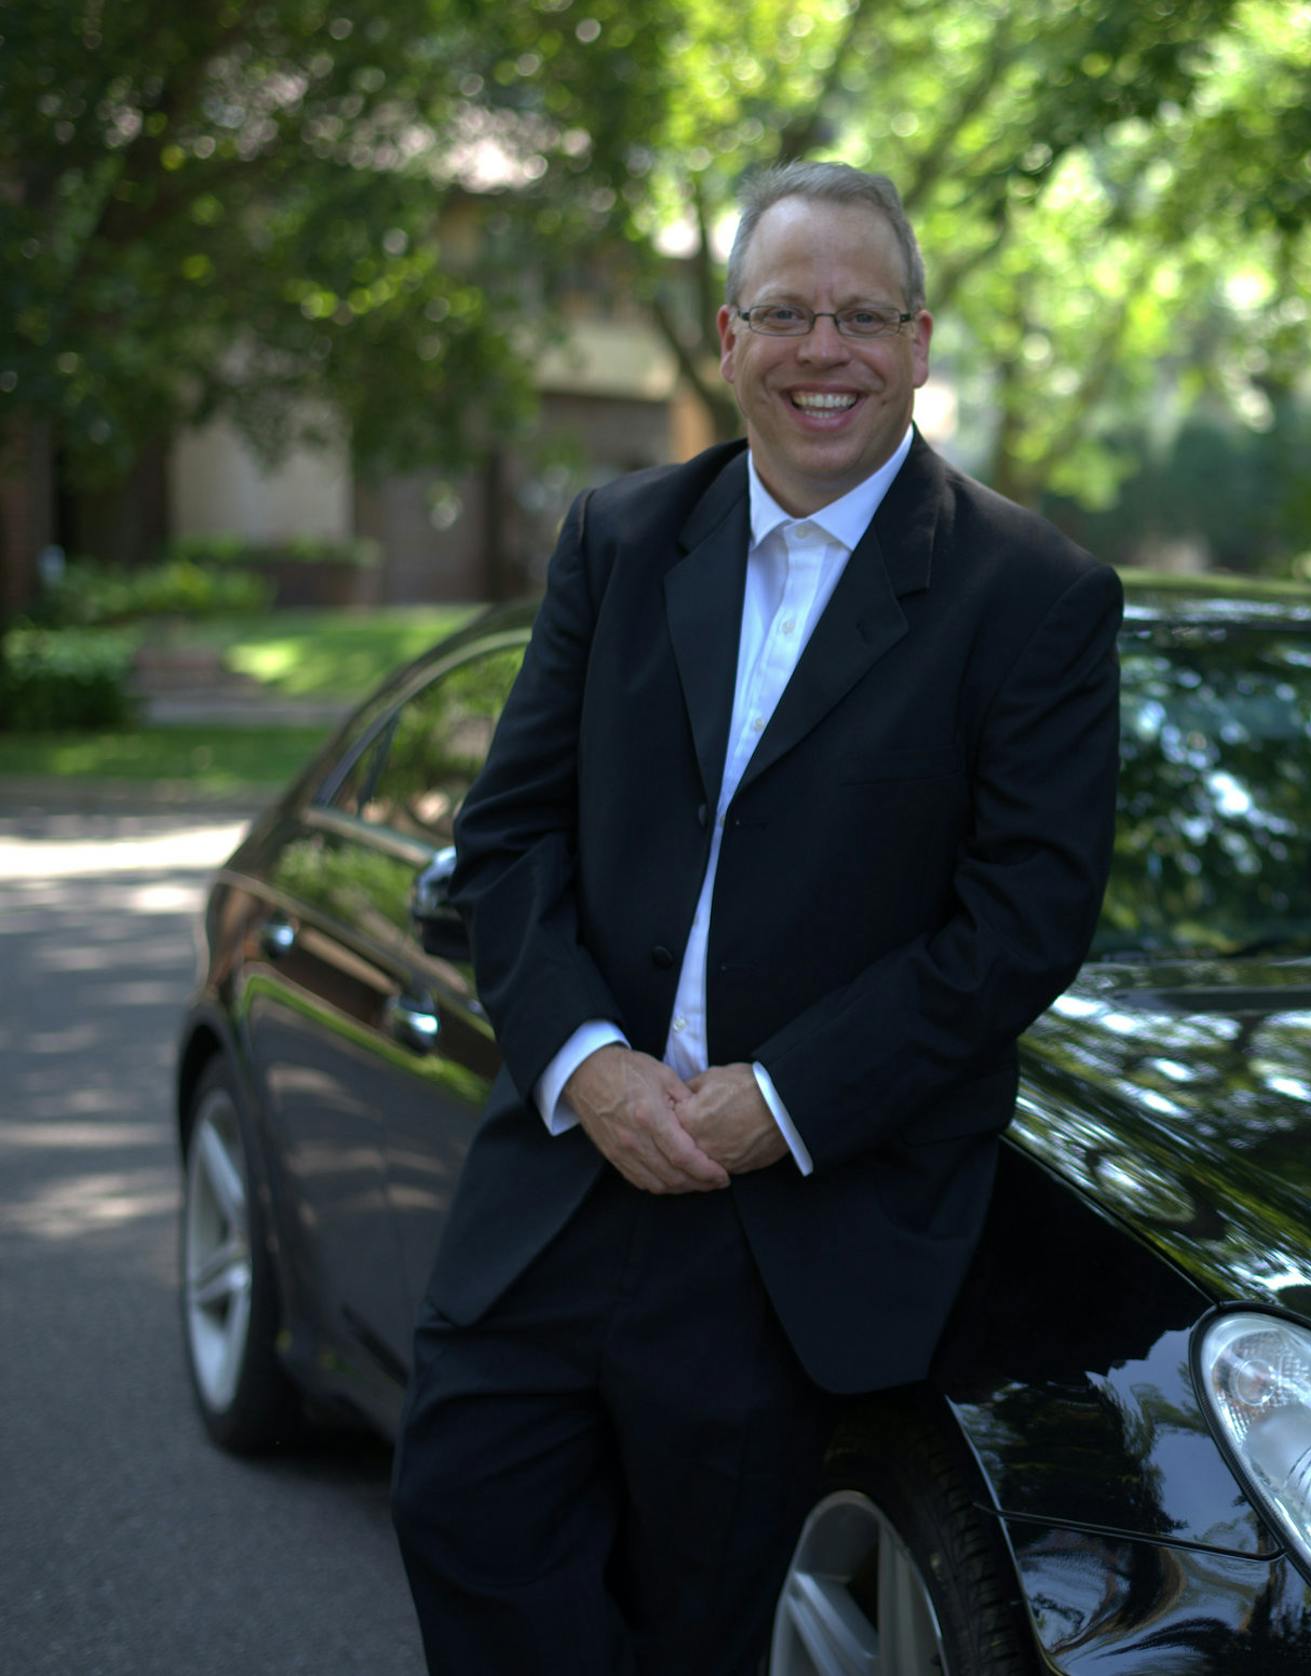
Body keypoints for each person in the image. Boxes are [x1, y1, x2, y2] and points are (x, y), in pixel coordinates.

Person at [389, 160, 1123, 1674]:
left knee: (695, 1623)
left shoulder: (1032, 594)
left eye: (863, 314)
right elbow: (509, 831)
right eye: (786, 312)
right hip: (565, 1179)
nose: (823, 348)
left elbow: (1022, 922)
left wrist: (771, 1106)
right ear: (728, 338)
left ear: (920, 344)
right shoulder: (620, 537)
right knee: (462, 1514)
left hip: (789, 1218)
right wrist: (588, 1063)